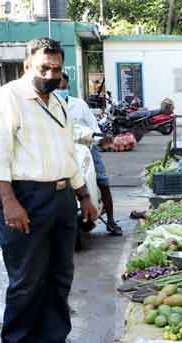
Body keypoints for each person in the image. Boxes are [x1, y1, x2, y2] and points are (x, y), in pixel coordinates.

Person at [0, 37, 97, 343]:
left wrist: (84, 196)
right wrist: (9, 202)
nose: (51, 74)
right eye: (44, 68)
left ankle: (52, 342)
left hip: (61, 196)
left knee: (59, 274)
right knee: (27, 277)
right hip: (24, 197)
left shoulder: (59, 104)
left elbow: (69, 155)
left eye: (56, 68)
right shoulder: (8, 99)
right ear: (27, 66)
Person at [56, 72, 121, 236]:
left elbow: (93, 127)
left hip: (85, 149)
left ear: (68, 87)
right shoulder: (49, 107)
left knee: (102, 181)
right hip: (60, 152)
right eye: (57, 87)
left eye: (63, 87)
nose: (60, 90)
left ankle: (111, 221)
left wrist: (99, 139)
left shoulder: (79, 105)